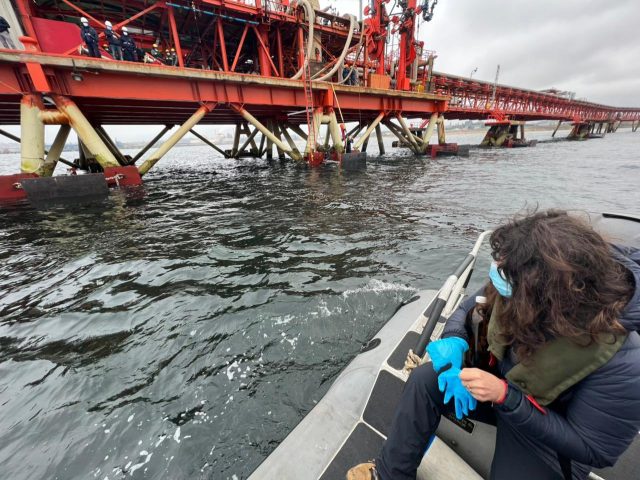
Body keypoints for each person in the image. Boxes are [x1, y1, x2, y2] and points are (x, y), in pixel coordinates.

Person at [348, 210, 640, 480]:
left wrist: (507, 398)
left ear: (546, 299)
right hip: (500, 388)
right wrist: (455, 339)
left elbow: (594, 450)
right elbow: (468, 307)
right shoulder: (518, 279)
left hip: (546, 437)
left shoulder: (622, 361)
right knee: (425, 381)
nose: (497, 279)